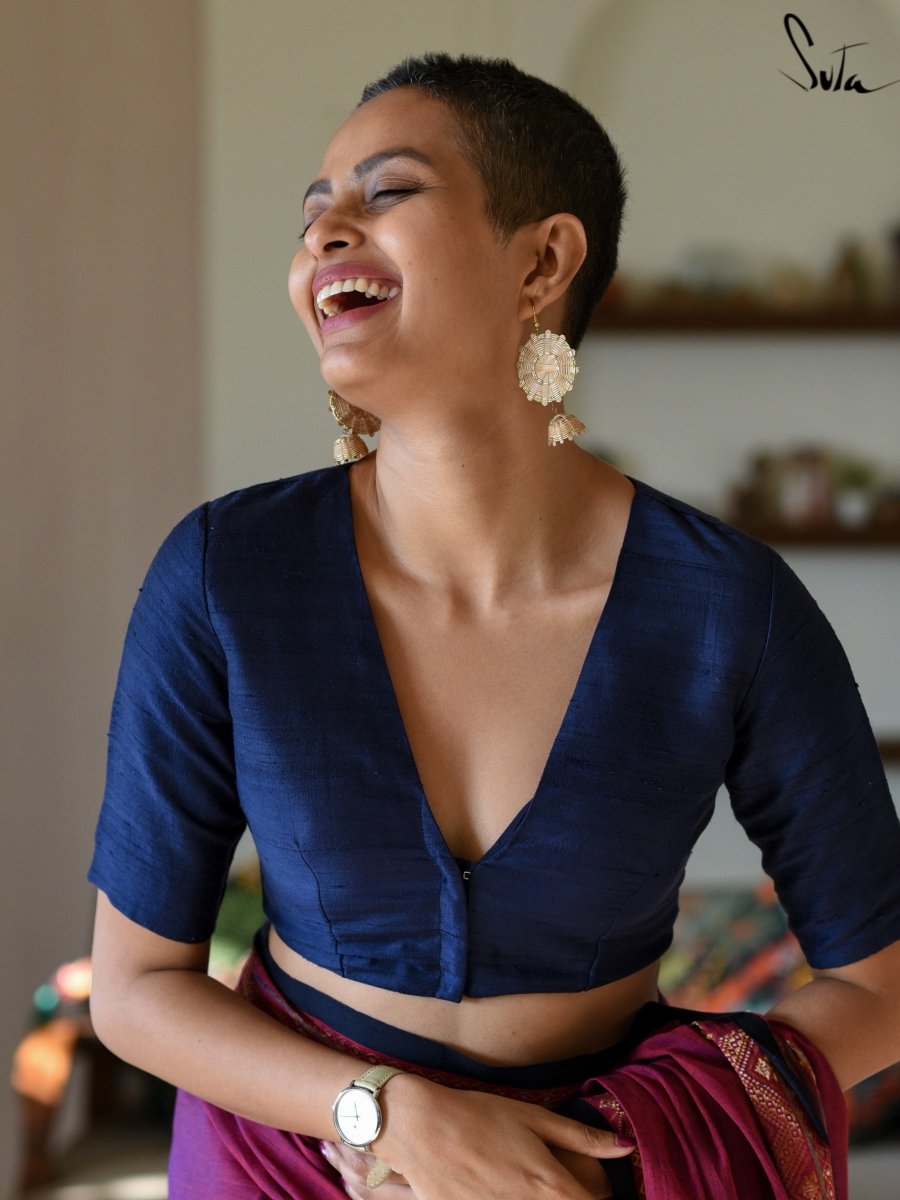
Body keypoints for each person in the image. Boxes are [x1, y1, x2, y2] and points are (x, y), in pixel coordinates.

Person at [88, 54, 900, 1200]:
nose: (324, 234)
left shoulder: (732, 608)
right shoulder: (223, 577)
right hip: (283, 1163)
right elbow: (133, 989)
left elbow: (880, 981)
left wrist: (619, 1143)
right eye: (313, 213)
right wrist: (381, 1115)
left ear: (543, 261)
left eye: (388, 191)